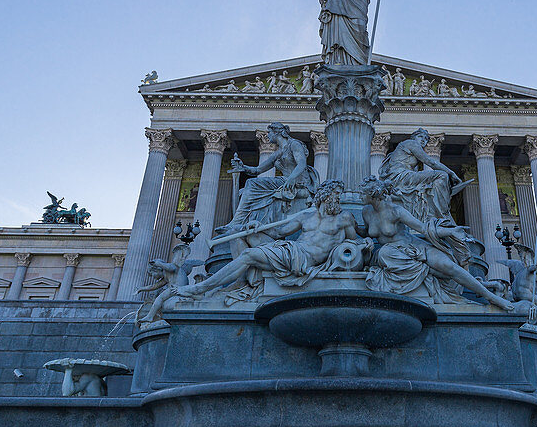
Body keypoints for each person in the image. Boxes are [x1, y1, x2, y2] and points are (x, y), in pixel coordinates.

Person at [176, 180, 355, 301]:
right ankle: (242, 281)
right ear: (325, 195)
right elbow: (278, 232)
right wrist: (256, 224)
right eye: (336, 194)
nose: (338, 198)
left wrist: (364, 245)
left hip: (301, 260)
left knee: (247, 255)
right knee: (240, 231)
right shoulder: (306, 216)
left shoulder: (344, 218)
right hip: (290, 249)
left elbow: (353, 243)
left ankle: (200, 289)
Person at [359, 176, 516, 311]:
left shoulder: (395, 211)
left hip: (414, 247)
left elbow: (423, 228)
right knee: (389, 255)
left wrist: (450, 231)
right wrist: (355, 232)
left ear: (373, 195)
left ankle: (492, 297)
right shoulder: (366, 212)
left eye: (363, 193)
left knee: (450, 267)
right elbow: (368, 232)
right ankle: (487, 287)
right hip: (392, 252)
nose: (359, 196)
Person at [222, 123, 318, 241]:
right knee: (248, 187)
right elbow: (257, 170)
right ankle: (240, 221)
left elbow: (302, 164)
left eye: (269, 133)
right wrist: (243, 167)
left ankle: (237, 220)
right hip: (284, 182)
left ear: (277, 132)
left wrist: (291, 179)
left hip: (298, 184)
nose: (267, 136)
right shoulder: (277, 153)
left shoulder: (294, 144)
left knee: (252, 184)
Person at [378, 128, 459, 222]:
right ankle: (442, 215)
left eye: (426, 138)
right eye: (420, 136)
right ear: (413, 137)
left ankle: (433, 214)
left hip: (403, 177)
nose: (423, 140)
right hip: (401, 177)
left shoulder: (409, 153)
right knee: (442, 175)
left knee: (430, 183)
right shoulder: (411, 143)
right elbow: (430, 162)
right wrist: (451, 173)